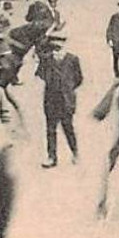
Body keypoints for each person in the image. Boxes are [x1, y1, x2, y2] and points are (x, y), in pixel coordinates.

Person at [38, 32, 83, 168]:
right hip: (51, 99)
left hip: (66, 100)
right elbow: (41, 75)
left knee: (68, 127)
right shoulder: (46, 60)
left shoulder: (73, 59)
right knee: (51, 129)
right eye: (55, 46)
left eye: (60, 45)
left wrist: (67, 88)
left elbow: (78, 79)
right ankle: (52, 157)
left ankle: (75, 153)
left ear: (64, 45)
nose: (57, 49)